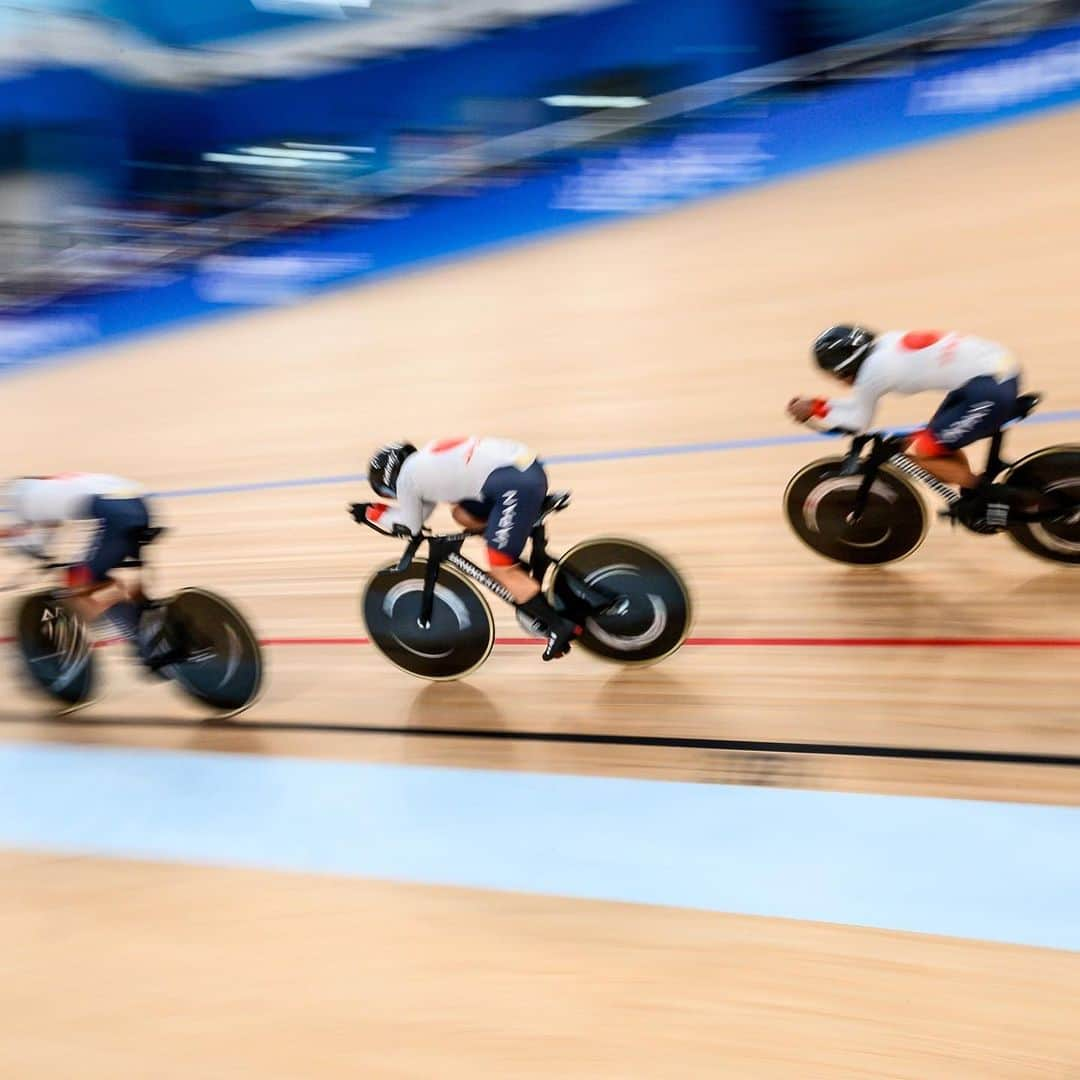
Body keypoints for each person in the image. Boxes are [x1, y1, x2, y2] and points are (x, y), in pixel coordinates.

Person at [349, 437, 586, 661]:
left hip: (514, 486)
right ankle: (515, 565)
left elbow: (411, 526)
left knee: (500, 569)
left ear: (390, 480)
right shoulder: (424, 463)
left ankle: (559, 627)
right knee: (462, 513)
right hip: (524, 470)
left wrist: (371, 511)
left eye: (390, 494)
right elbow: (422, 515)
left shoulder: (406, 479)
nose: (396, 496)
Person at [787, 325, 1022, 505]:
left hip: (988, 390)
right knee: (930, 440)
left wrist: (814, 408)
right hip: (994, 372)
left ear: (843, 369)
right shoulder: (886, 343)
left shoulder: (873, 371)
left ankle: (991, 496)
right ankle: (973, 490)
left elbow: (857, 421)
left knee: (926, 450)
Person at [0, 473, 161, 664]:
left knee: (76, 582)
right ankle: (153, 621)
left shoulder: (23, 499)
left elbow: (34, 544)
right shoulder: (61, 485)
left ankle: (139, 634)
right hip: (140, 505)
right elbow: (49, 529)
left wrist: (11, 537)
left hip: (116, 516)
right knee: (119, 572)